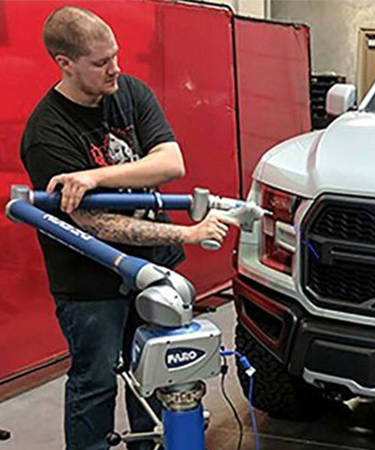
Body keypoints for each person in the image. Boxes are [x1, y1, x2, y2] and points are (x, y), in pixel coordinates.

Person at [19, 6, 234, 450]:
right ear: (65, 63)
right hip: (90, 284)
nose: (115, 68)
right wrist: (186, 234)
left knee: (159, 375)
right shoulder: (46, 131)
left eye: (115, 55)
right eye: (100, 63)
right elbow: (96, 225)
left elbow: (171, 162)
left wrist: (95, 177)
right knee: (95, 384)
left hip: (155, 271)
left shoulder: (130, 92)